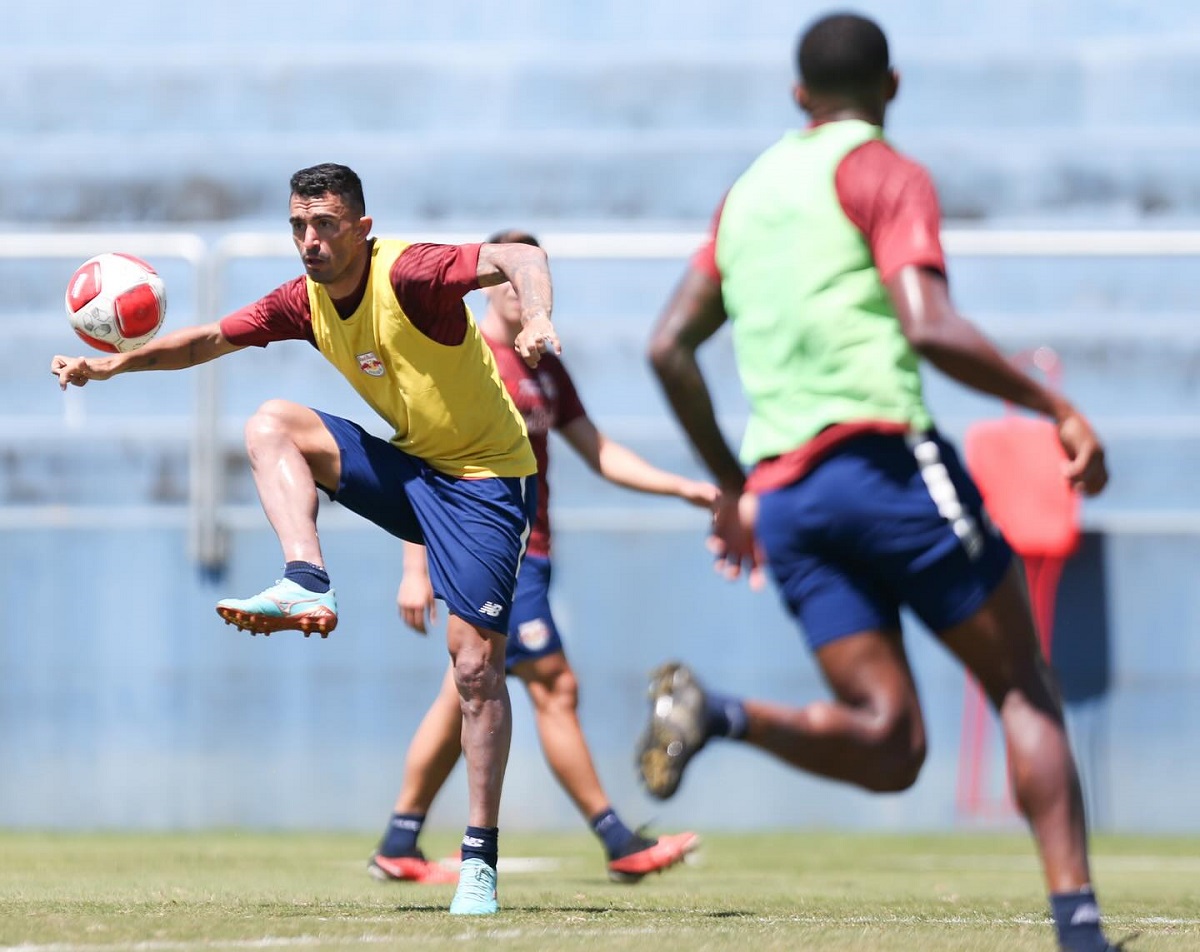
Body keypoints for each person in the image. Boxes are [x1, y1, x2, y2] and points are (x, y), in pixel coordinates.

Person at [639, 14, 1118, 952]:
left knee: (892, 743)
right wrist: (1053, 407)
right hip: (882, 465)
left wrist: (734, 486)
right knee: (1022, 685)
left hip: (788, 501)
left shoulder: (748, 192)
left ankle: (719, 715)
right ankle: (1080, 931)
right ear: (891, 87)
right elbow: (930, 327)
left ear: (796, 95)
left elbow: (667, 347)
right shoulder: (882, 169)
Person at [51, 163, 561, 916]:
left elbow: (521, 258)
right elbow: (204, 341)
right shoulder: (304, 301)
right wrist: (113, 365)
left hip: (487, 483)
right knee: (270, 421)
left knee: (476, 668)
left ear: (361, 226)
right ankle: (306, 578)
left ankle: (479, 861)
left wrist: (541, 316)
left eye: (324, 225)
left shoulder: (412, 272)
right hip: (415, 468)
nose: (309, 241)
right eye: (297, 226)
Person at [368, 229, 710, 887]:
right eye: (509, 277)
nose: (522, 289)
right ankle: (617, 842)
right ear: (486, 283)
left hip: (534, 548)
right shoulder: (465, 355)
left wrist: (684, 486)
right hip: (492, 549)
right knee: (554, 684)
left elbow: (599, 450)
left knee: (462, 689)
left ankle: (399, 839)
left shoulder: (545, 362)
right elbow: (426, 464)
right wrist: (414, 567)